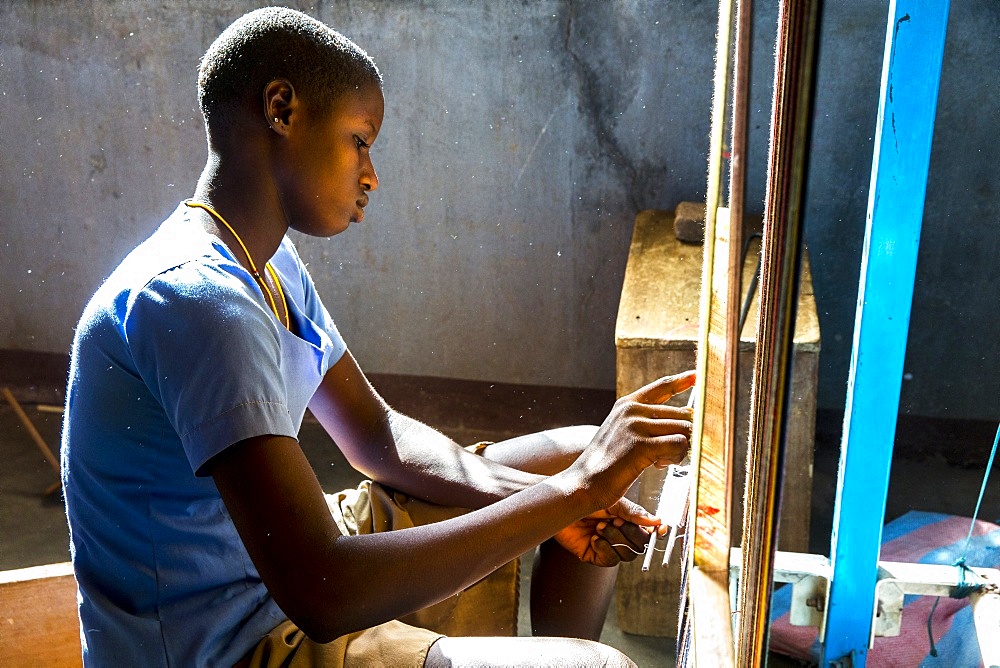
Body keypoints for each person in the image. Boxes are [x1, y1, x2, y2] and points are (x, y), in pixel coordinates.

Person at [60, 7, 695, 667]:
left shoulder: (264, 263)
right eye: (360, 140)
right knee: (602, 663)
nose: (372, 174)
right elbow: (321, 592)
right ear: (282, 108)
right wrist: (574, 493)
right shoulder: (195, 298)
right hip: (230, 643)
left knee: (571, 452)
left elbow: (375, 434)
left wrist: (559, 492)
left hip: (276, 574)